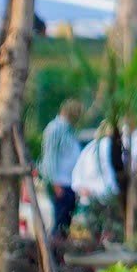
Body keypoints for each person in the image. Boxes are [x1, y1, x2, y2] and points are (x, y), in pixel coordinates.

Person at [38, 100, 83, 245]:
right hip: (60, 183)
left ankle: (61, 252)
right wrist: (54, 183)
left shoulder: (69, 130)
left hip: (69, 182)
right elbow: (49, 157)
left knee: (65, 222)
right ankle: (54, 253)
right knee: (59, 222)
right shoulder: (55, 129)